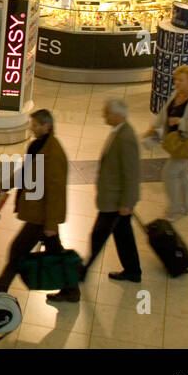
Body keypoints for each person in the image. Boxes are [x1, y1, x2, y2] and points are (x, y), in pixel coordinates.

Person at [0, 108, 79, 304]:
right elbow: (26, 172)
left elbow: (56, 192)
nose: (32, 128)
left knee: (18, 249)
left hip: (42, 216)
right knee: (55, 252)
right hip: (40, 214)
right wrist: (4, 186)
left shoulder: (53, 153)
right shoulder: (38, 145)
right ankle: (71, 289)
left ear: (47, 126)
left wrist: (51, 224)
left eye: (35, 125)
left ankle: (0, 286)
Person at [82, 98, 142, 283]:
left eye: (107, 112)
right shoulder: (119, 132)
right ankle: (133, 271)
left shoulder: (126, 137)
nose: (103, 115)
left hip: (116, 202)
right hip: (115, 200)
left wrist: (127, 202)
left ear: (117, 115)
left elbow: (132, 173)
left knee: (99, 235)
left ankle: (83, 271)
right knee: (123, 235)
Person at [146, 64, 188, 220]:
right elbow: (163, 113)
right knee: (182, 175)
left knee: (169, 173)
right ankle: (186, 207)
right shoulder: (176, 95)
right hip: (175, 143)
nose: (177, 83)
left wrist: (180, 121)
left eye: (181, 80)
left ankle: (175, 209)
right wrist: (153, 127)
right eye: (176, 80)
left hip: (186, 145)